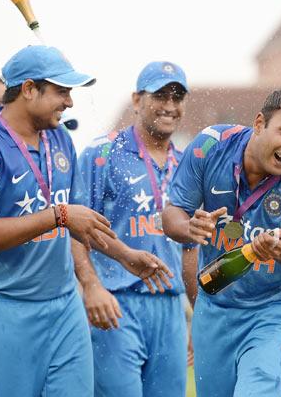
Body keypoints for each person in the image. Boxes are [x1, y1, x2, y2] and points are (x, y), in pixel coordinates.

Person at [0, 45, 173, 396]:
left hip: (63, 306)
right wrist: (58, 216)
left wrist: (124, 255)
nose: (69, 102)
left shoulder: (59, 140)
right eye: (61, 91)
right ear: (28, 89)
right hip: (1, 308)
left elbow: (78, 223)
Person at [162, 87, 281, 397]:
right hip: (214, 308)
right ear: (259, 123)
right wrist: (188, 227)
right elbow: (172, 214)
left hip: (275, 310)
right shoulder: (210, 146)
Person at [77, 61, 197, 397]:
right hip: (116, 303)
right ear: (136, 99)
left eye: (178, 96)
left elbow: (191, 247)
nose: (170, 106)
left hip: (170, 310)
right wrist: (91, 287)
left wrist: (198, 316)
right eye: (160, 95)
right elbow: (74, 229)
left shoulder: (187, 164)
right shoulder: (102, 153)